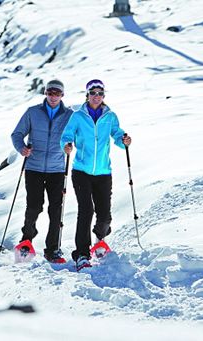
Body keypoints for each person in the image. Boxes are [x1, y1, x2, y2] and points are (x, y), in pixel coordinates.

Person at [60, 79, 131, 269]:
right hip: (81, 170)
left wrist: (123, 140)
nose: (96, 97)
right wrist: (66, 145)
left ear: (103, 96)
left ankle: (100, 238)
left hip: (103, 172)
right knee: (86, 210)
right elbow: (67, 135)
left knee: (105, 215)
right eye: (93, 93)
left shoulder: (110, 116)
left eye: (100, 93)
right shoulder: (77, 116)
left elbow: (117, 134)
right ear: (87, 95)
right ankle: (82, 254)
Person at [11, 79, 73, 263]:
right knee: (33, 207)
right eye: (50, 92)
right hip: (34, 168)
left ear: (62, 95)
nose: (53, 96)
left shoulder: (69, 115)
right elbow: (17, 134)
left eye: (57, 93)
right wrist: (22, 148)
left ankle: (52, 249)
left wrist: (71, 145)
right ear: (45, 93)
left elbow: (77, 135)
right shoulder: (33, 112)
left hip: (57, 169)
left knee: (55, 210)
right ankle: (26, 242)